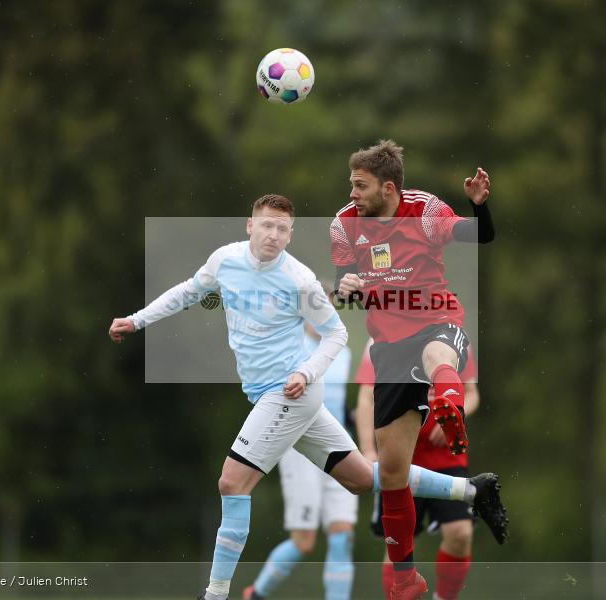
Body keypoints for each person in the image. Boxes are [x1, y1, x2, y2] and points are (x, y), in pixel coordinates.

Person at [109, 194, 503, 600]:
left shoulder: (300, 280)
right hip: (269, 395)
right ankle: (472, 491)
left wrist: (306, 372)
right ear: (250, 225)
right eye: (266, 225)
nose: (273, 235)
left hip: (290, 393)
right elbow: (188, 292)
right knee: (364, 479)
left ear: (290, 235)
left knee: (232, 483)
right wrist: (136, 320)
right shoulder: (224, 260)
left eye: (282, 229)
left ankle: (215, 594)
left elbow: (337, 334)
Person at [330, 140, 508, 600]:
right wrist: (344, 286)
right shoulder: (344, 225)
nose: (352, 194)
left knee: (437, 358)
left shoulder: (425, 210)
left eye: (360, 186)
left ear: (388, 188)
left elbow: (480, 237)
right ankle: (406, 580)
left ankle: (446, 400)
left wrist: (478, 207)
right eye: (351, 185)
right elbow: (343, 285)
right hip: (386, 347)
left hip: (436, 319)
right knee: (391, 473)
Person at [357, 339, 480, 600]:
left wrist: (456, 414)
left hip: (447, 459)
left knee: (460, 533)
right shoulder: (380, 338)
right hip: (400, 457)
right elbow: (367, 396)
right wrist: (367, 449)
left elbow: (472, 393)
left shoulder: (456, 338)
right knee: (398, 548)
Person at [243, 322, 357, 600]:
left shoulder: (343, 351)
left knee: (343, 535)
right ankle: (256, 594)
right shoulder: (290, 348)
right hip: (301, 447)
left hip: (339, 445)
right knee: (304, 541)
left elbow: (336, 400)